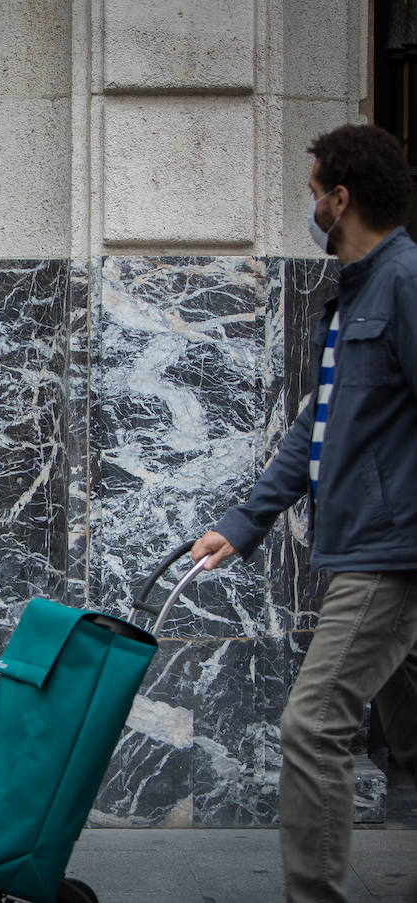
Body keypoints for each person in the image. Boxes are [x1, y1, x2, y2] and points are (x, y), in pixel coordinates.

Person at [191, 123, 417, 903]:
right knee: (413, 732)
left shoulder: (406, 283)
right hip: (356, 541)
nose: (311, 205)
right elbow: (315, 430)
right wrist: (245, 520)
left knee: (313, 726)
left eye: (315, 192)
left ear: (342, 198)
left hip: (388, 554)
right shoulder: (354, 294)